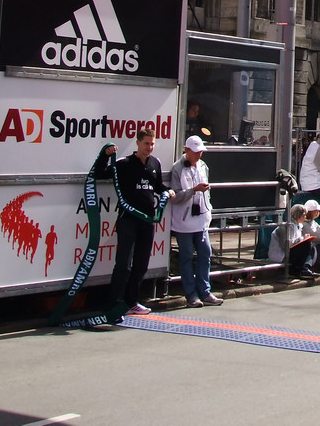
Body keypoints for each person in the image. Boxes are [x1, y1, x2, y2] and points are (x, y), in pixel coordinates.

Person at [93, 129, 175, 317]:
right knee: (124, 264)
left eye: (152, 144)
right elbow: (100, 173)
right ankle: (114, 304)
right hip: (128, 219)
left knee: (141, 264)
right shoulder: (124, 163)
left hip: (147, 221)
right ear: (137, 143)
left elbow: (157, 186)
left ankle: (132, 302)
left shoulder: (155, 163)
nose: (149, 147)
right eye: (146, 143)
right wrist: (105, 156)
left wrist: (167, 191)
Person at [169, 135, 223, 308]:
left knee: (205, 254)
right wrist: (193, 190)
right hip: (183, 222)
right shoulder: (177, 168)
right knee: (186, 257)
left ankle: (205, 291)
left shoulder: (203, 166)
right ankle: (191, 294)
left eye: (201, 152)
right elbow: (175, 196)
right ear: (187, 150)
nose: (199, 155)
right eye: (196, 152)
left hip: (201, 219)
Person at [269, 203, 318, 279]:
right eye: (304, 215)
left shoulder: (298, 225)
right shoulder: (286, 226)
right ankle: (296, 270)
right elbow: (285, 246)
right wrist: (302, 239)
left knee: (311, 245)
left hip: (288, 253)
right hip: (281, 256)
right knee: (306, 245)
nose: (305, 217)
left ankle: (305, 268)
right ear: (298, 215)